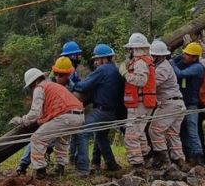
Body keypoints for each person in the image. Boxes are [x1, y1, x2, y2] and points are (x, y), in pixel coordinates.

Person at [10, 68, 84, 178]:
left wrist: (22, 120)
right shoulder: (53, 86)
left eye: (31, 86)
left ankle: (40, 171)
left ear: (35, 82)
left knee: (37, 139)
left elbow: (35, 113)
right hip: (78, 116)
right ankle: (60, 168)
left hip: (64, 117)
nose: (31, 89)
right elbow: (45, 114)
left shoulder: (40, 87)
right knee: (62, 141)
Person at [71, 44, 124, 176]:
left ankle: (82, 169)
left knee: (81, 130)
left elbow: (83, 86)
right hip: (112, 112)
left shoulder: (103, 69)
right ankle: (111, 164)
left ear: (104, 59)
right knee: (101, 136)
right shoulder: (114, 69)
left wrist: (72, 83)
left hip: (102, 111)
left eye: (97, 59)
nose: (95, 62)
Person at [119, 33, 156, 172]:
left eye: (131, 49)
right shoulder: (145, 61)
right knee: (139, 133)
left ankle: (138, 166)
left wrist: (125, 73)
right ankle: (147, 158)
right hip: (142, 102)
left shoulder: (141, 62)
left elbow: (141, 81)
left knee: (131, 135)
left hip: (140, 103)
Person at [147, 40, 185, 170]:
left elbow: (152, 84)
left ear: (157, 56)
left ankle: (163, 159)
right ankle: (179, 159)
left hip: (170, 104)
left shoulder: (162, 68)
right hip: (176, 103)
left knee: (155, 130)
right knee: (173, 134)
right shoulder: (164, 65)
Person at [173, 42, 205, 167]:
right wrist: (175, 57)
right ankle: (188, 156)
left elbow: (181, 74)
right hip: (182, 103)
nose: (184, 56)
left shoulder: (197, 67)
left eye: (188, 55)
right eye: (184, 53)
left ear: (195, 57)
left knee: (192, 131)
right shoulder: (185, 63)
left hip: (191, 104)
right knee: (182, 131)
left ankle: (198, 157)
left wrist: (171, 63)